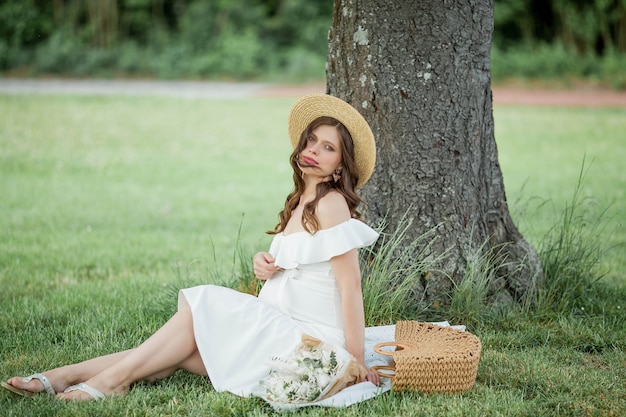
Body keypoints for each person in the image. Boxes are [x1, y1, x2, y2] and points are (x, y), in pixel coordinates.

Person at [1, 93, 381, 401]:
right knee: (180, 350)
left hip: (307, 339)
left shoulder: (332, 203)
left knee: (204, 309)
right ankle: (68, 376)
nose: (314, 149)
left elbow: (350, 288)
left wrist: (354, 359)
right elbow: (303, 264)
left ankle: (100, 382)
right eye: (312, 140)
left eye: (327, 147)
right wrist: (266, 264)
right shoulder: (300, 200)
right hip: (276, 324)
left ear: (338, 166)